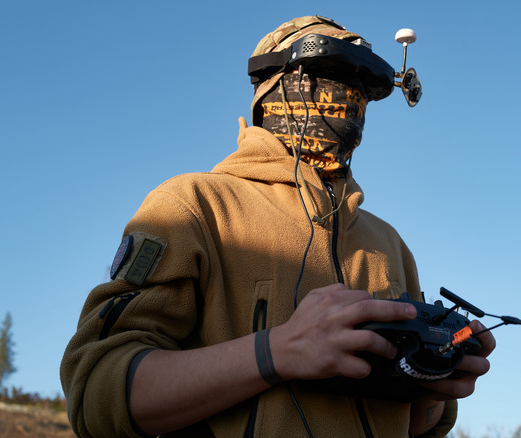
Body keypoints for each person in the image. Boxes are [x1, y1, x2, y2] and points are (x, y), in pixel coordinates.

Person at [60, 15, 495, 438]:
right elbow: (97, 392)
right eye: (328, 73)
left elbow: (415, 425)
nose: (349, 96)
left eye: (362, 86)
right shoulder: (194, 206)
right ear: (273, 86)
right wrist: (275, 352)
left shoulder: (389, 245)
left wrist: (434, 378)